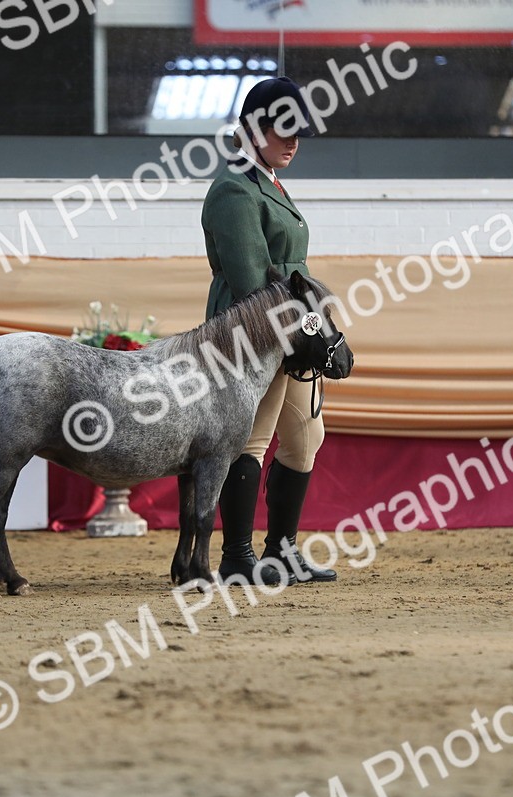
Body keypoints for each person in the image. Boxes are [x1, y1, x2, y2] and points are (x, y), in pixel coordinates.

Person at [201, 76, 336, 586]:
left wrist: (311, 328)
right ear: (252, 130)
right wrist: (301, 328)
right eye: (283, 131)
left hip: (292, 328)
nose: (294, 141)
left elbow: (292, 272)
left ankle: (281, 552)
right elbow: (252, 280)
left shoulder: (271, 183)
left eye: (298, 131)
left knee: (305, 436)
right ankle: (237, 555)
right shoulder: (235, 188)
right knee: (251, 439)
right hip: (252, 328)